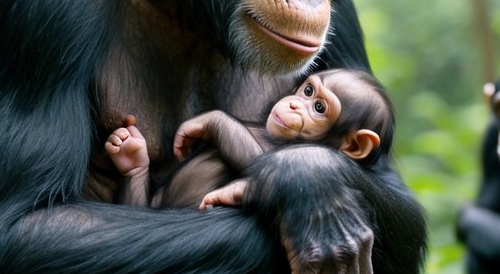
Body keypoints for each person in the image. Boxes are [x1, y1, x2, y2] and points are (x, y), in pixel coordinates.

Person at [108, 68, 394, 210]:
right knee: (135, 196)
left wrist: (218, 123)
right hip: (152, 216)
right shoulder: (261, 136)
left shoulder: (291, 172)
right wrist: (137, 172)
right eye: (307, 91)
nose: (296, 104)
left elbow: (264, 166)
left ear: (353, 145)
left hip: (192, 248)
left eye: (319, 108)